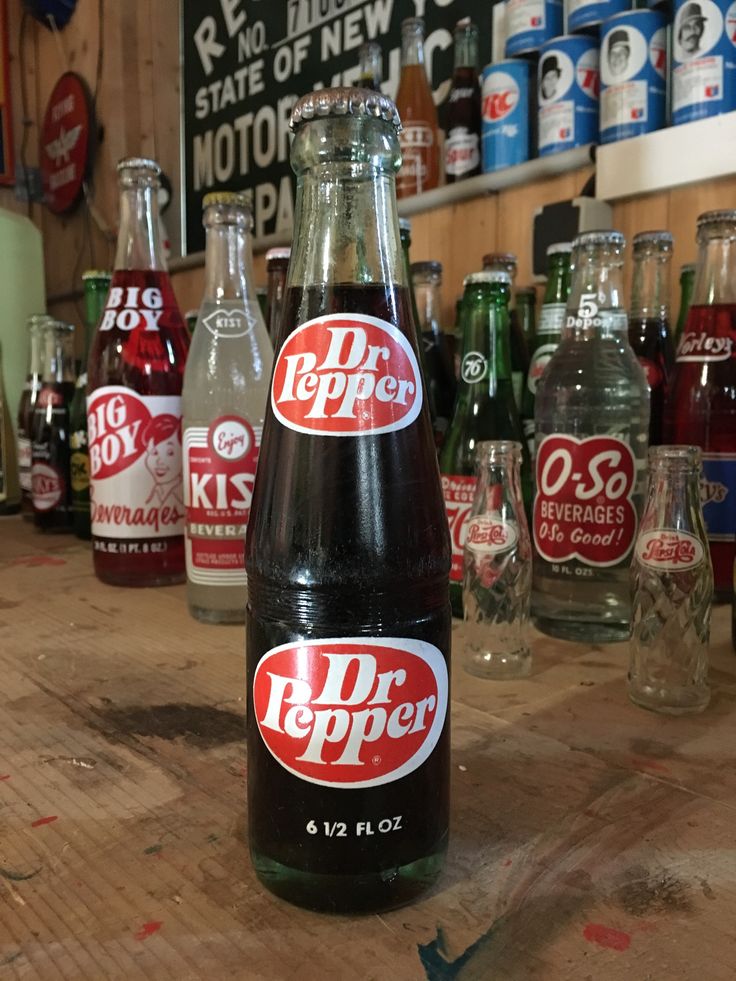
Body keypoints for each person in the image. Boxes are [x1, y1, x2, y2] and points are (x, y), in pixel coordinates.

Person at [142, 414, 183, 507]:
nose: (159, 461)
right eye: (154, 452)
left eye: (170, 453)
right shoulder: (154, 493)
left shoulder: (181, 496)